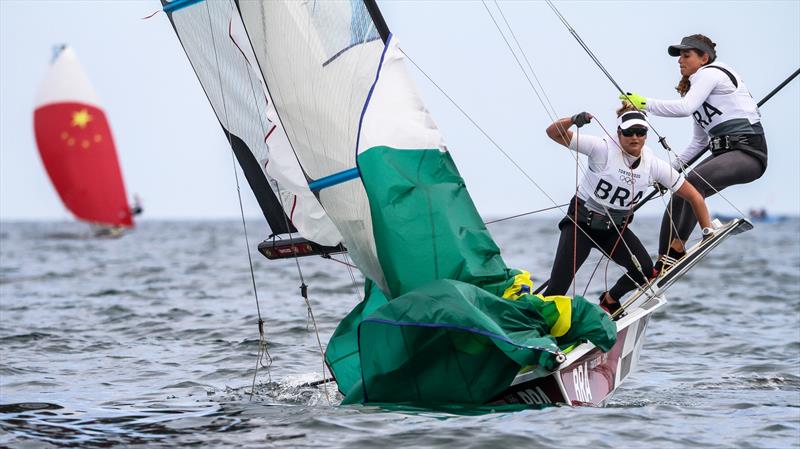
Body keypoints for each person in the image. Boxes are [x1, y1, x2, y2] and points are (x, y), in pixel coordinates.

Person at [619, 34, 767, 274]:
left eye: (686, 55)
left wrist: (644, 103)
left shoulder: (711, 73)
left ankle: (677, 249)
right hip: (724, 153)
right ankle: (664, 260)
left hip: (748, 152)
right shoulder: (697, 88)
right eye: (679, 56)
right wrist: (669, 173)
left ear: (704, 58)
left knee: (693, 183)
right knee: (679, 188)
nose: (680, 61)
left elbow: (685, 108)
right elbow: (699, 142)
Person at [543, 106, 713, 314]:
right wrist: (572, 120)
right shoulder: (602, 148)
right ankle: (535, 331)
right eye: (629, 132)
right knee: (556, 291)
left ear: (646, 135)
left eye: (640, 132)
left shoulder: (654, 165)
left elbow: (694, 196)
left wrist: (707, 231)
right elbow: (553, 133)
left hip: (614, 231)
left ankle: (610, 300)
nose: (635, 137)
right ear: (618, 133)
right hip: (581, 226)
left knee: (645, 272)